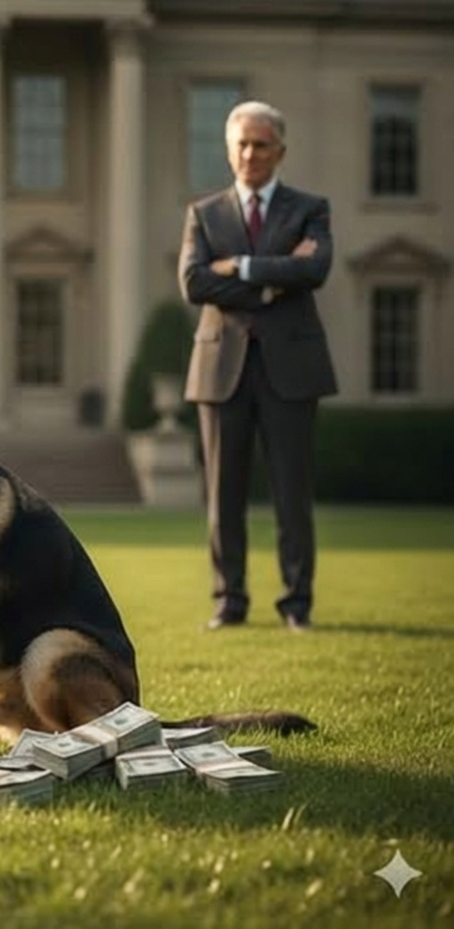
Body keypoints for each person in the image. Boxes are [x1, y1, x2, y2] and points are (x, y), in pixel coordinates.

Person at [178, 100, 337, 632]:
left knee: (293, 495)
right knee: (223, 500)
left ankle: (298, 604)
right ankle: (230, 601)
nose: (250, 153)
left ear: (280, 151)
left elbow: (315, 268)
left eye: (261, 144)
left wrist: (243, 268)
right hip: (221, 369)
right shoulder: (204, 214)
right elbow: (195, 283)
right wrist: (277, 277)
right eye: (241, 144)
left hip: (291, 368)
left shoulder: (310, 208)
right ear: (229, 151)